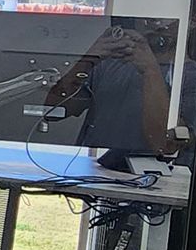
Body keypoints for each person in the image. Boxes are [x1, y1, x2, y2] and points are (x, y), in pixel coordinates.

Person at [50, 20, 175, 160]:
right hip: (92, 169)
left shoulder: (192, 77)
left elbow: (163, 144)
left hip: (153, 175)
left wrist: (150, 71)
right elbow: (53, 111)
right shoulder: (109, 65)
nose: (153, 23)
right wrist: (88, 60)